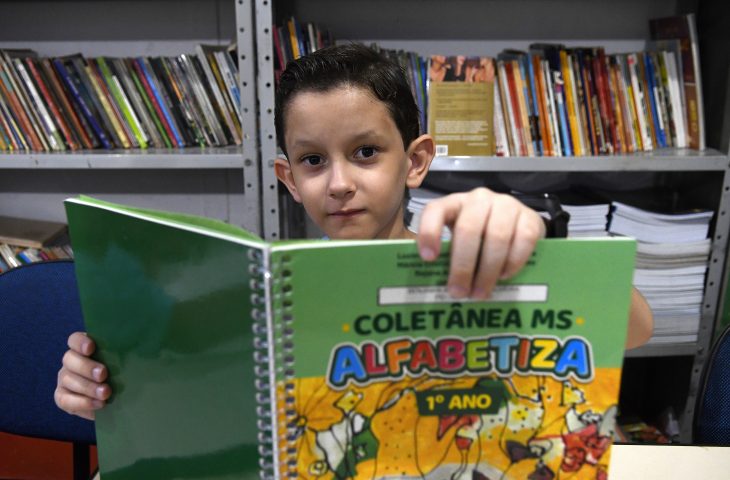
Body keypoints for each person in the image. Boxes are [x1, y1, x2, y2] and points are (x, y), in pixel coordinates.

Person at [55, 43, 653, 421]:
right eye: (313, 161)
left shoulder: (470, 262)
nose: (339, 183)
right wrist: (107, 386)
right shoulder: (266, 296)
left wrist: (537, 252)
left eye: (365, 152)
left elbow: (635, 329)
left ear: (415, 161)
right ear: (289, 179)